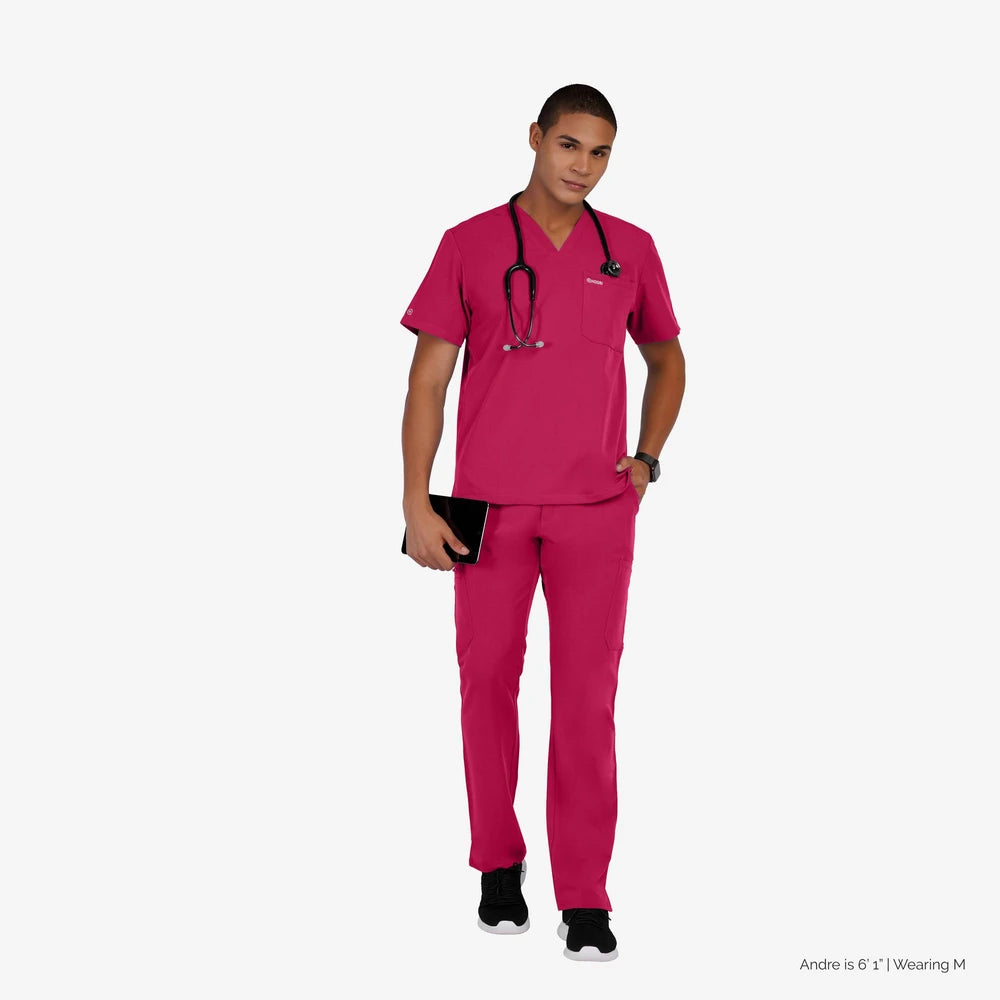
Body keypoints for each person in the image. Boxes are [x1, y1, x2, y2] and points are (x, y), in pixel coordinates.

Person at [399, 83, 686, 962]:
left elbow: (668, 357)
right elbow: (427, 381)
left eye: (600, 153)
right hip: (486, 510)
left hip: (597, 512)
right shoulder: (469, 244)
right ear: (534, 138)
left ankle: (585, 895)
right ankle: (497, 862)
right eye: (569, 145)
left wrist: (646, 458)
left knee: (587, 701)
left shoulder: (629, 250)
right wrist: (416, 501)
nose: (583, 166)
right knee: (486, 684)